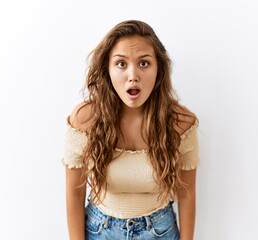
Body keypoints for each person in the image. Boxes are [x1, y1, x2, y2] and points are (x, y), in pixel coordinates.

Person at [62, 19, 200, 240]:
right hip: (99, 231)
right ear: (107, 69)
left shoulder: (180, 123)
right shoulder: (85, 119)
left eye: (144, 63)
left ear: (159, 69)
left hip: (160, 231)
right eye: (121, 64)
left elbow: (187, 193)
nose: (133, 75)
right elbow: (74, 192)